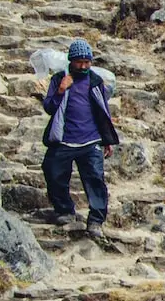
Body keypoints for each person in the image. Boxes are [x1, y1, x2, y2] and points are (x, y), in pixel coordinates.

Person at [40, 38, 119, 236]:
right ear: (71, 61)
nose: (83, 66)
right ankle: (65, 210)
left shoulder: (95, 81)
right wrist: (60, 90)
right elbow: (49, 107)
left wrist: (107, 139)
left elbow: (103, 110)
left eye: (87, 62)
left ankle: (96, 220)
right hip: (63, 140)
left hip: (91, 140)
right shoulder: (59, 79)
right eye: (79, 62)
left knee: (95, 180)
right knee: (53, 172)